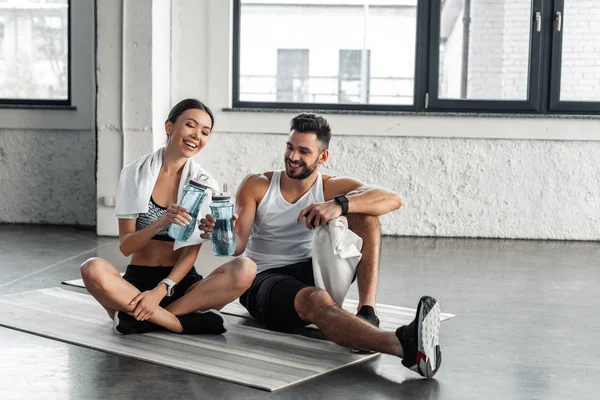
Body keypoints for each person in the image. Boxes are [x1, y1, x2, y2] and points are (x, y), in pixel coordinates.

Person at [200, 113, 442, 378]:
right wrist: (219, 234)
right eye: (290, 147)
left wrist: (340, 205)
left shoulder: (330, 187)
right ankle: (404, 346)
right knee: (315, 300)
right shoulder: (258, 184)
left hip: (313, 270)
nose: (293, 157)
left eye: (304, 151)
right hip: (264, 280)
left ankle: (367, 311)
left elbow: (392, 199)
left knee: (364, 212)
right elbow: (238, 245)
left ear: (322, 157)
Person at [80, 99, 256, 335]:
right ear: (169, 127)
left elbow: (190, 251)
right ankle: (179, 323)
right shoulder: (134, 174)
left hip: (180, 283)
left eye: (205, 132)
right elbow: (125, 246)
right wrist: (161, 222)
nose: (197, 135)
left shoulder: (205, 184)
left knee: (245, 268)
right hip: (137, 282)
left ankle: (140, 318)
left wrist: (163, 289)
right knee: (91, 268)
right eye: (190, 125)